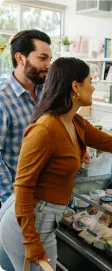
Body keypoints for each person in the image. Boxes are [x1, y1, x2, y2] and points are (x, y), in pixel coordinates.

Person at [0, 57, 112, 271]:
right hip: (30, 221)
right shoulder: (44, 129)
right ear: (75, 86)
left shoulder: (75, 123)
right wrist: (30, 240)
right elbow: (23, 186)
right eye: (90, 81)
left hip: (43, 219)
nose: (93, 87)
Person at [0, 30, 52, 206]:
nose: (48, 65)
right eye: (42, 58)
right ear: (21, 59)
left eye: (50, 59)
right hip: (17, 202)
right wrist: (14, 202)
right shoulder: (2, 100)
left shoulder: (47, 95)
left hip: (46, 197)